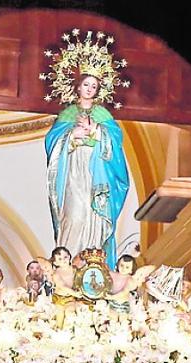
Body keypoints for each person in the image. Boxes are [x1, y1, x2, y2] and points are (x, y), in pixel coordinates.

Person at [45, 73, 130, 268]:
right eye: (86, 84)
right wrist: (71, 135)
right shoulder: (67, 115)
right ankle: (67, 266)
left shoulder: (103, 116)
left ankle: (94, 267)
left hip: (97, 172)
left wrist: (97, 130)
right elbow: (52, 142)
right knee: (75, 215)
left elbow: (115, 142)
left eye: (94, 86)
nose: (90, 89)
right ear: (78, 87)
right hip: (74, 170)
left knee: (95, 217)